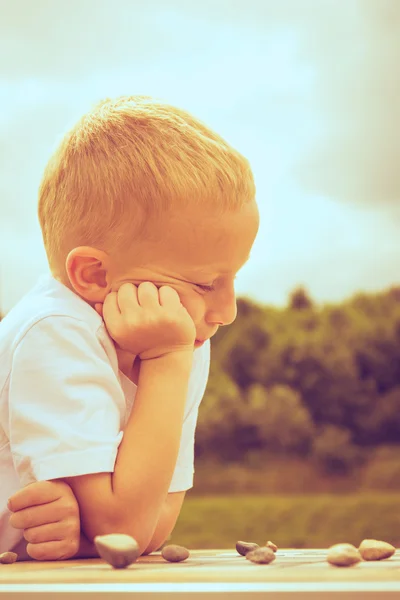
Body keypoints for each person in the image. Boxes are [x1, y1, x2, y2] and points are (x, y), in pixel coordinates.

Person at [1, 95, 259, 560]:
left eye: (232, 278)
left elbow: (149, 528)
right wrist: (165, 364)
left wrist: (85, 531)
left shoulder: (181, 341)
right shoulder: (55, 331)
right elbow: (124, 530)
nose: (227, 311)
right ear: (96, 277)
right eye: (205, 283)